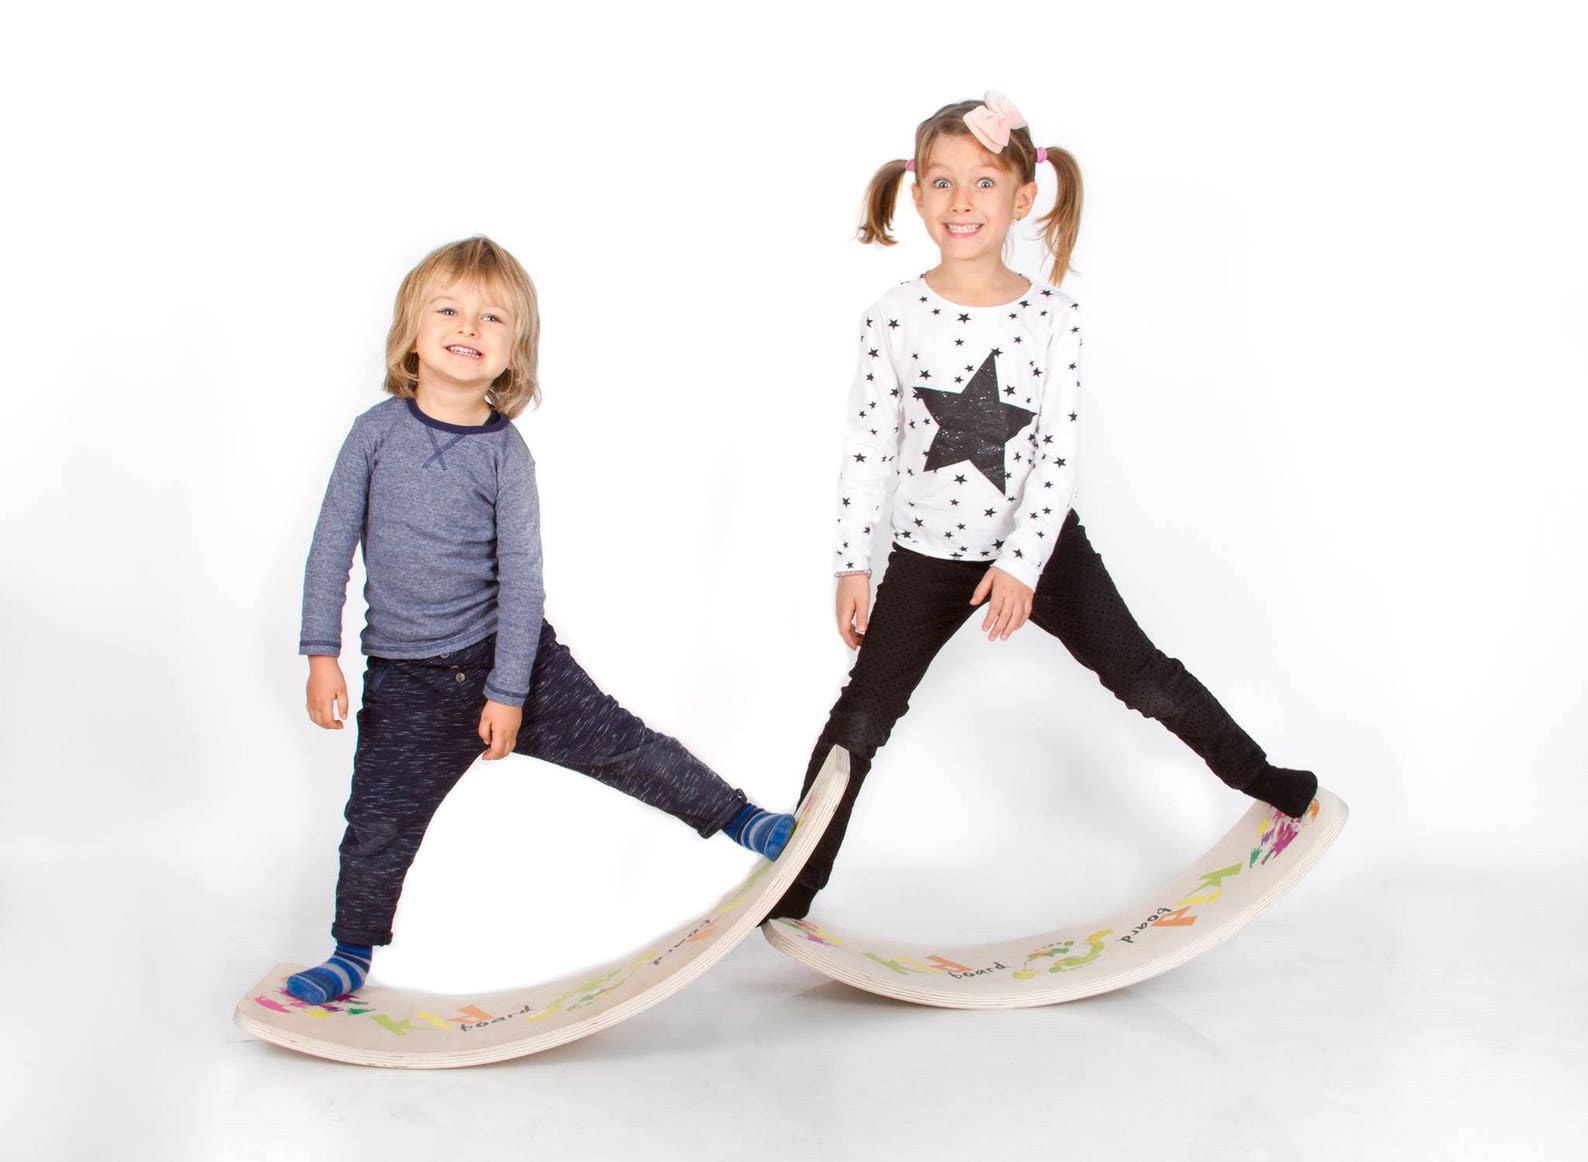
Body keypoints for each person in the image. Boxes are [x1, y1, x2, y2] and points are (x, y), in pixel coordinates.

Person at [770, 93, 1317, 922]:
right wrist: (851, 562)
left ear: (1023, 197)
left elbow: (1057, 457)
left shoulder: (1053, 317)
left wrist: (1022, 566)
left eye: (984, 183)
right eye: (943, 182)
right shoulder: (893, 317)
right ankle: (795, 884)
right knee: (862, 716)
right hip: (924, 558)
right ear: (915, 193)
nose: (962, 202)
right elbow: (868, 448)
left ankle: (1264, 779)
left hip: (1042, 549)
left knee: (1144, 677)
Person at [288, 236, 793, 1004]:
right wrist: (321, 654)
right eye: (448, 310)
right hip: (407, 681)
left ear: (512, 351)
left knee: (624, 745)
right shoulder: (375, 434)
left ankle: (741, 819)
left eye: (491, 317)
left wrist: (508, 690)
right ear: (412, 332)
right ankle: (351, 951)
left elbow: (524, 582)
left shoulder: (505, 454)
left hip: (512, 659)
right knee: (378, 822)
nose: (468, 326)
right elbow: (331, 546)